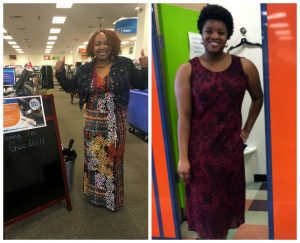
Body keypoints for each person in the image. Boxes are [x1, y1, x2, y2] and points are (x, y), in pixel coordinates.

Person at [175, 4, 263, 239]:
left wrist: (246, 129)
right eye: (209, 31)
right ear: (201, 33)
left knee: (223, 213)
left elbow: (258, 99)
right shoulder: (187, 70)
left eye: (221, 32)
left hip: (229, 154)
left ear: (228, 36)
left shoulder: (244, 67)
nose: (215, 36)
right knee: (205, 214)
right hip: (200, 156)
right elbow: (183, 117)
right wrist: (183, 157)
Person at [55, 29, 148, 211]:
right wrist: (59, 73)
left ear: (113, 44)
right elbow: (69, 87)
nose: (102, 47)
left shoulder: (125, 65)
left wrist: (145, 68)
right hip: (92, 123)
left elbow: (141, 84)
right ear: (92, 47)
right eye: (98, 44)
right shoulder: (84, 69)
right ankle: (94, 195)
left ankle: (112, 199)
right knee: (94, 159)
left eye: (106, 43)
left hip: (115, 123)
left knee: (113, 160)